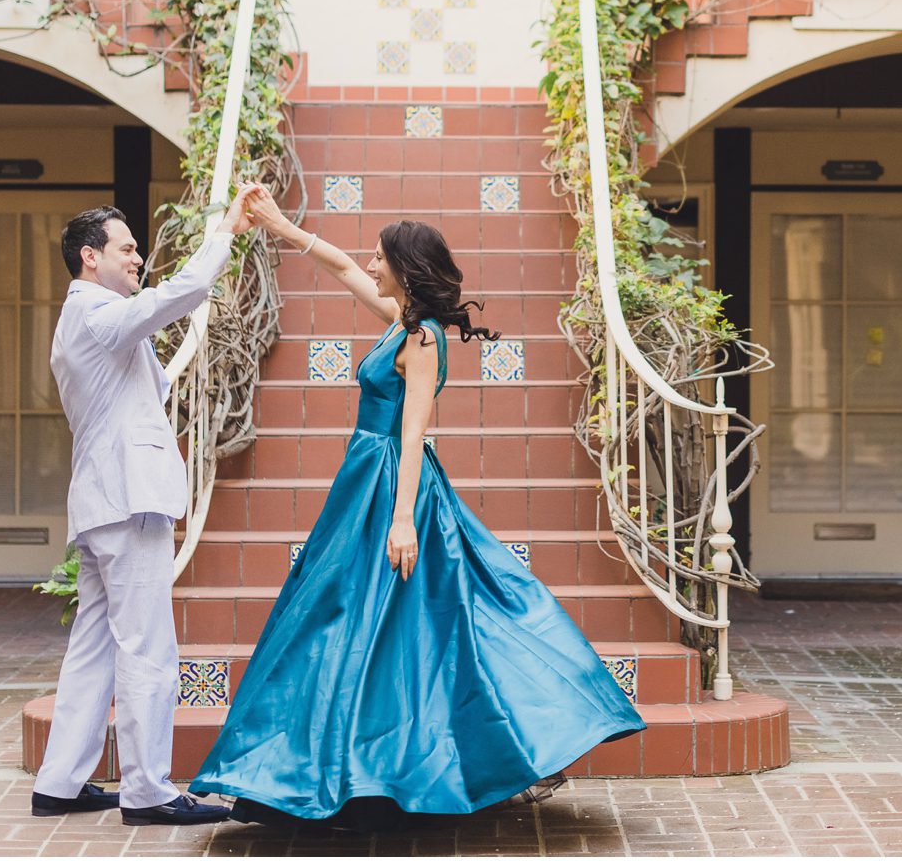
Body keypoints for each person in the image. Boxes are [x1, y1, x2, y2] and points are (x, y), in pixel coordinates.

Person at [190, 185, 642, 826]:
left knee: (407, 626)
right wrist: (278, 225)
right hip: (362, 479)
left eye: (380, 258)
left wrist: (404, 520)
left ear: (403, 269)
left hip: (393, 485)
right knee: (343, 617)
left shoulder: (425, 339)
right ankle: (344, 770)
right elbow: (342, 267)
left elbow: (414, 432)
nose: (370, 265)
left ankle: (400, 769)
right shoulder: (399, 320)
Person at [30, 192, 256, 827]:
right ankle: (149, 790)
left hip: (106, 499)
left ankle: (60, 782)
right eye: (126, 248)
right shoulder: (97, 310)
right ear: (89, 257)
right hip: (126, 501)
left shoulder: (87, 316)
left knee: (95, 645)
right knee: (147, 646)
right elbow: (173, 298)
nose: (137, 258)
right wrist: (225, 236)